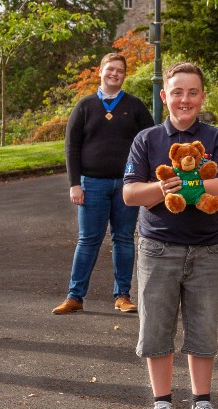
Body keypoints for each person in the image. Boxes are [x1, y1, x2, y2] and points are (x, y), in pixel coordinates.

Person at [122, 62, 218, 409]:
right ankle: (162, 406)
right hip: (158, 248)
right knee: (156, 329)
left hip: (204, 250)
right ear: (164, 96)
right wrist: (163, 190)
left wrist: (195, 183)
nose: (185, 99)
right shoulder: (147, 140)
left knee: (203, 330)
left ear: (202, 97)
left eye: (193, 92)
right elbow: (129, 193)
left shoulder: (216, 138)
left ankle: (202, 405)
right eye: (178, 92)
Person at [52, 53, 154, 315]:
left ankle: (123, 296)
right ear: (100, 71)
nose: (115, 74)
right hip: (92, 184)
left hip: (127, 185)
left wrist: (147, 180)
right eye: (110, 69)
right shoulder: (84, 106)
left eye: (120, 70)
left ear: (124, 75)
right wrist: (75, 183)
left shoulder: (136, 107)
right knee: (88, 240)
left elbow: (150, 144)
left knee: (123, 239)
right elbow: (71, 147)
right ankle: (75, 296)